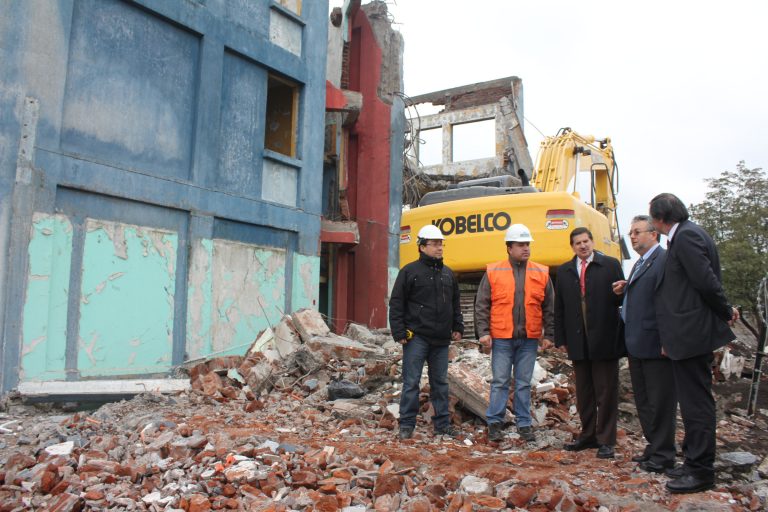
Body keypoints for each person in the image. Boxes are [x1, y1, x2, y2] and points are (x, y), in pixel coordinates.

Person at [649, 193, 738, 493]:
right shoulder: (687, 234)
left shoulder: (686, 237)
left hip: (691, 334)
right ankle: (692, 461)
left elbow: (705, 281)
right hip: (685, 334)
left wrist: (726, 311)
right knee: (690, 403)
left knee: (696, 404)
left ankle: (701, 471)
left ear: (659, 219)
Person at [475, 224, 554, 443]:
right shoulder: (494, 271)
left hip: (529, 339)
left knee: (523, 383)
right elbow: (482, 304)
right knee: (500, 381)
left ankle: (524, 424)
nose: (525, 248)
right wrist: (483, 332)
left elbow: (549, 308)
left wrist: (549, 336)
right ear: (509, 248)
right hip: (502, 337)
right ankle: (495, 423)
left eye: (527, 244)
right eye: (520, 244)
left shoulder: (541, 272)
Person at [612, 215, 677, 473]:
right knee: (645, 401)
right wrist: (627, 288)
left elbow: (668, 302)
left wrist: (667, 339)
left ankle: (664, 454)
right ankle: (654, 446)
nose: (633, 237)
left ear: (654, 234)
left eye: (637, 232)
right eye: (631, 233)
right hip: (637, 343)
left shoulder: (663, 261)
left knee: (660, 402)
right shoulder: (639, 264)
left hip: (655, 344)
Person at [555, 227, 625, 459]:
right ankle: (588, 435)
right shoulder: (565, 271)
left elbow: (622, 298)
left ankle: (606, 440)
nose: (583, 246)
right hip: (578, 340)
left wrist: (620, 294)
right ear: (572, 247)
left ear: (592, 242)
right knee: (584, 392)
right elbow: (560, 307)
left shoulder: (610, 265)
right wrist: (561, 338)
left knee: (606, 391)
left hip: (604, 338)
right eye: (578, 243)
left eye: (586, 241)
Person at [389, 224, 464, 440]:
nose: (439, 248)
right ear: (422, 247)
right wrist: (399, 331)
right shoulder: (409, 272)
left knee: (440, 383)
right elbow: (397, 303)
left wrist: (458, 327)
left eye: (441, 243)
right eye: (434, 244)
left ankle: (442, 425)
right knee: (411, 382)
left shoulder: (448, 274)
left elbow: (455, 304)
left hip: (441, 340)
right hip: (416, 338)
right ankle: (406, 425)